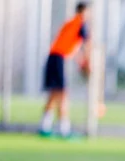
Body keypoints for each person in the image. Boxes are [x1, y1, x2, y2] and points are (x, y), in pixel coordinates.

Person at [39, 2, 91, 138]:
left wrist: (80, 60)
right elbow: (86, 45)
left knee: (54, 92)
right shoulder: (80, 23)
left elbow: (71, 45)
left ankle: (44, 125)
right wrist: (87, 62)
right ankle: (64, 128)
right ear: (84, 12)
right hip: (58, 58)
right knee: (63, 93)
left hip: (53, 57)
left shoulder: (70, 23)